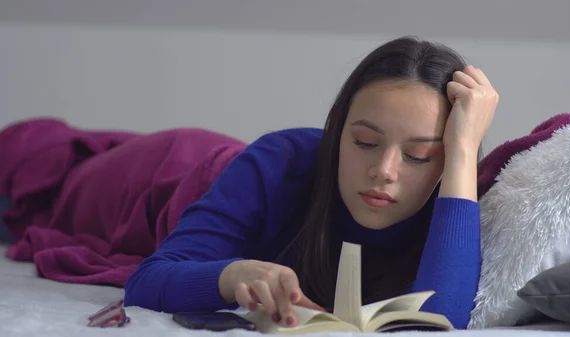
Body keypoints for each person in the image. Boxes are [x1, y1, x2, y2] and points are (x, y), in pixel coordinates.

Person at [123, 36, 498, 330]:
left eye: (419, 156)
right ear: (336, 131)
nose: (384, 170)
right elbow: (146, 281)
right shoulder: (278, 163)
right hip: (158, 176)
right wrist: (233, 274)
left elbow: (439, 320)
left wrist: (463, 151)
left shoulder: (456, 197)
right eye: (365, 142)